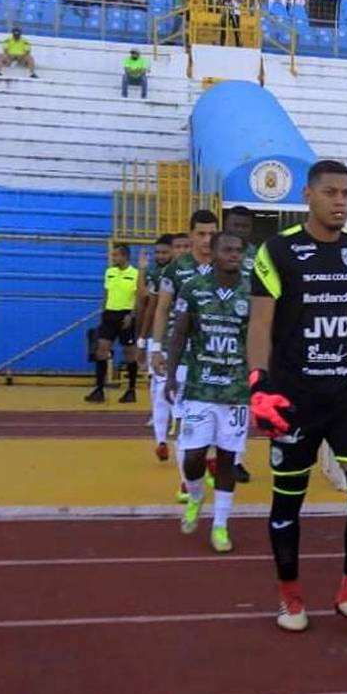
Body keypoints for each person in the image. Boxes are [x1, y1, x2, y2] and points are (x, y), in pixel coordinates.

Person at [247, 160, 347, 636]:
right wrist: (258, 386)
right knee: (287, 501)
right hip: (293, 396)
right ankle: (290, 599)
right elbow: (260, 323)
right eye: (332, 193)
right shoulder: (277, 251)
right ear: (310, 196)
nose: (341, 202)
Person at [165, 232, 249, 553]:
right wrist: (172, 374)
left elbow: (258, 337)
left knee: (228, 458)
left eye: (238, 250)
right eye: (227, 249)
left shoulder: (250, 290)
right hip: (200, 385)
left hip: (237, 390)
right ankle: (197, 495)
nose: (234, 254)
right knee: (193, 456)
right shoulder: (193, 289)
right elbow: (180, 334)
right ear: (213, 253)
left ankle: (221, 525)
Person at [151, 211, 219, 503]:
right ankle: (184, 482)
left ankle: (209, 463)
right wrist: (156, 349)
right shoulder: (175, 270)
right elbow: (162, 310)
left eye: (211, 234)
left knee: (217, 421)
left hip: (218, 359)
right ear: (190, 235)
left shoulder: (229, 266)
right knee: (187, 420)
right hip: (182, 357)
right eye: (201, 234)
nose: (206, 240)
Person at [86, 243, 141, 404]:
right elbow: (106, 293)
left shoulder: (135, 274)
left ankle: (131, 390)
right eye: (113, 255)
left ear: (125, 256)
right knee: (101, 350)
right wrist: (103, 312)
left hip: (126, 315)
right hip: (109, 314)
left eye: (116, 255)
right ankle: (99, 389)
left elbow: (138, 297)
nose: (114, 258)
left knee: (129, 353)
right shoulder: (109, 272)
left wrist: (132, 315)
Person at [138, 234, 177, 460]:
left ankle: (174, 426)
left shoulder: (195, 272)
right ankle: (161, 437)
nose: (162, 256)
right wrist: (143, 339)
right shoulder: (159, 274)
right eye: (159, 253)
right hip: (161, 338)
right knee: (159, 384)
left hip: (187, 342)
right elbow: (148, 303)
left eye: (165, 252)